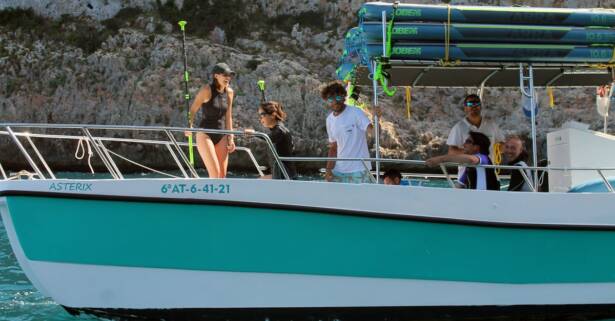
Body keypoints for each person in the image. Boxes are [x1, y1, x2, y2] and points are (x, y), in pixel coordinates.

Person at [186, 62, 236, 178]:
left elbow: (228, 116)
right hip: (205, 134)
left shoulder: (229, 92)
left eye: (229, 75)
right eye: (225, 75)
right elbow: (192, 110)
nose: (228, 78)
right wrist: (189, 126)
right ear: (216, 76)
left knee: (222, 176)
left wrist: (231, 138)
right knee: (215, 174)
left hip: (222, 134)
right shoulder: (206, 90)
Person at [321, 80, 377, 184]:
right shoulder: (329, 120)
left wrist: (376, 119)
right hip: (338, 170)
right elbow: (333, 148)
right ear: (327, 100)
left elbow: (373, 133)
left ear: (343, 96)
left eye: (338, 97)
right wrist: (328, 170)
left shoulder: (356, 112)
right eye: (331, 99)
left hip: (359, 169)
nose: (335, 101)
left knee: (360, 200)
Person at [426, 131, 500, 190]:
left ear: (476, 147)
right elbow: (459, 186)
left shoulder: (484, 158)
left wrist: (441, 159)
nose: (464, 144)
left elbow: (471, 159)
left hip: (486, 201)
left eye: (468, 141)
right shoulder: (468, 167)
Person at [447, 94, 503, 160]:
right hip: (467, 168)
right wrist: (469, 151)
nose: (474, 106)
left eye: (477, 103)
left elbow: (502, 144)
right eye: (470, 104)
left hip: (489, 168)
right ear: (465, 108)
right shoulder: (458, 127)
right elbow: (451, 152)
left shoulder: (492, 125)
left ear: (481, 107)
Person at [257, 101, 297, 180]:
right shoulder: (278, 129)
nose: (260, 118)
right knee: (258, 181)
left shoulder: (280, 131)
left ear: (273, 115)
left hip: (285, 177)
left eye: (262, 115)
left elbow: (271, 137)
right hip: (282, 175)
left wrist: (254, 134)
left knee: (258, 183)